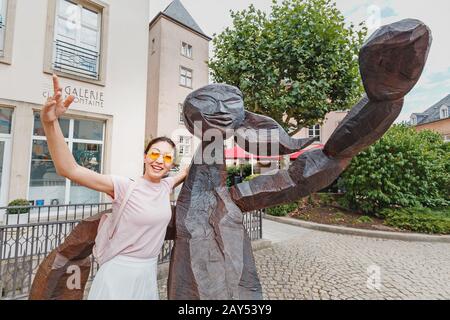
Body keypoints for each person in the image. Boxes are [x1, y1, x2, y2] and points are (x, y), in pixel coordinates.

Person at [41, 74, 188, 300]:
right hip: (118, 274)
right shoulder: (123, 186)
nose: (160, 161)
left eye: (167, 158)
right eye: (155, 154)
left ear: (171, 164)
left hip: (148, 273)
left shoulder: (166, 184)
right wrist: (50, 123)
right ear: (145, 156)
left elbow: (189, 169)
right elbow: (70, 169)